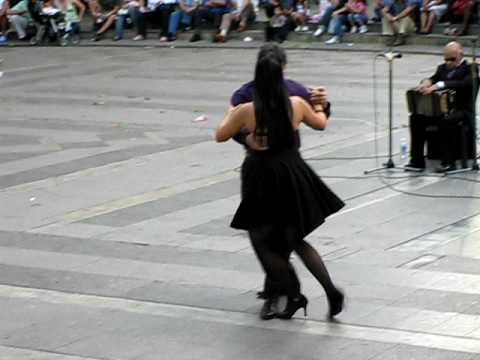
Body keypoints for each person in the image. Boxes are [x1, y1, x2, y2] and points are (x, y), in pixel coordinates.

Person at [216, 44, 345, 320]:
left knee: (261, 238)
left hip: (260, 173)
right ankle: (330, 290)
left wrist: (239, 125)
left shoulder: (245, 107)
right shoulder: (297, 102)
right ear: (282, 71)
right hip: (292, 171)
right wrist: (322, 106)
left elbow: (220, 134)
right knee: (295, 238)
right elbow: (321, 123)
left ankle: (293, 294)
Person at [405, 41, 477, 173]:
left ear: (461, 54)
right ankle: (416, 160)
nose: (448, 62)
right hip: (441, 109)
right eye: (446, 59)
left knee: (446, 121)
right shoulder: (442, 68)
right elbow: (433, 79)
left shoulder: (470, 68)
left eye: (452, 59)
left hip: (462, 110)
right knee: (416, 118)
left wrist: (440, 85)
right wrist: (426, 82)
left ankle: (449, 161)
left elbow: (464, 84)